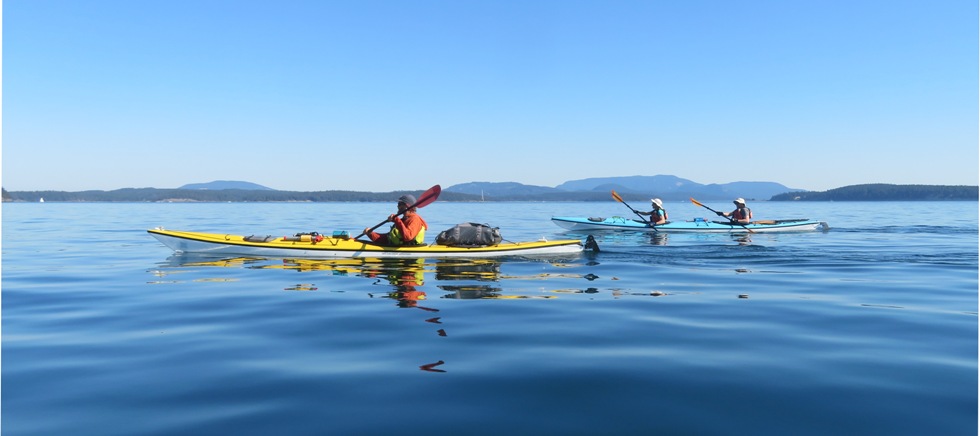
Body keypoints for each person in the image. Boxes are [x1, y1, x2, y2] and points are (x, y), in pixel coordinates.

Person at [364, 194, 428, 246]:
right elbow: (386, 239)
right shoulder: (403, 220)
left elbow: (408, 237)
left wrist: (396, 220)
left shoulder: (415, 219)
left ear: (407, 206)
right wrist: (370, 234)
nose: (397, 206)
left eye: (400, 204)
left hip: (410, 258)